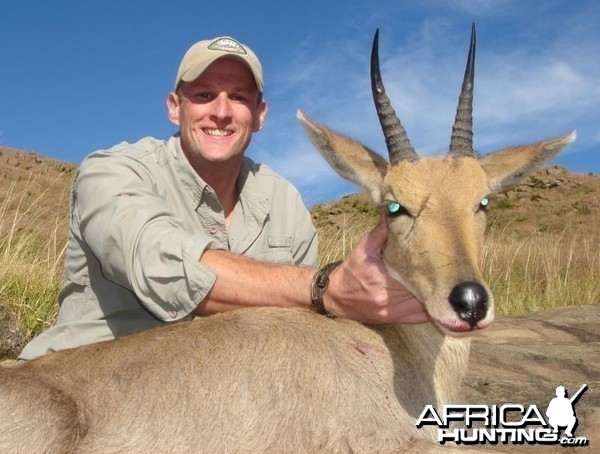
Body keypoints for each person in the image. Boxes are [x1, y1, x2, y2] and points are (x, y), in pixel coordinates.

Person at [19, 36, 428, 361]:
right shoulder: (112, 171)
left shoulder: (284, 200)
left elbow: (297, 326)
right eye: (203, 95)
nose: (221, 111)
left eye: (238, 96)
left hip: (220, 400)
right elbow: (160, 264)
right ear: (174, 108)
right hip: (79, 389)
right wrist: (327, 288)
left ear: (260, 114)